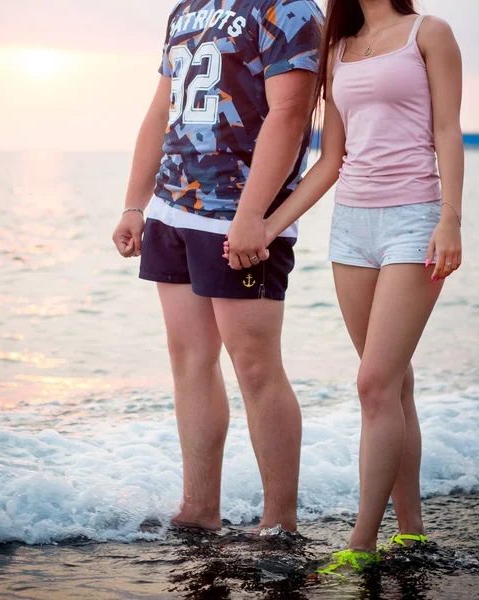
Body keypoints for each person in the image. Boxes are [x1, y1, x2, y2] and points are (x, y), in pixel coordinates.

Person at [225, 0, 464, 571]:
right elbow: (331, 160)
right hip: (352, 229)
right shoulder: (335, 50)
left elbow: (448, 128)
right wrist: (264, 226)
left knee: (373, 384)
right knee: (393, 385)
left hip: (416, 219)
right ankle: (411, 531)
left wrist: (450, 219)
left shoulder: (429, 33)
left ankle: (360, 546)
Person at [112, 0, 323, 532]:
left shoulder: (289, 8)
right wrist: (135, 204)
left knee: (254, 367)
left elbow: (291, 113)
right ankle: (200, 509)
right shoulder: (186, 8)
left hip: (238, 216)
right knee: (189, 360)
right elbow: (161, 113)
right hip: (171, 209)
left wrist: (254, 214)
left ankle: (279, 522)